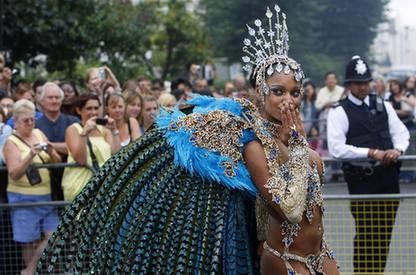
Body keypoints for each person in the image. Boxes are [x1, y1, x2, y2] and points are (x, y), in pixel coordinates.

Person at [37, 5, 338, 274]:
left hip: (320, 255)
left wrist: (295, 143)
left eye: (295, 92)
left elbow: (315, 181)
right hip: (284, 261)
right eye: (278, 91)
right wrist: (298, 149)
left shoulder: (287, 138)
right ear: (260, 92)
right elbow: (290, 208)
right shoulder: (253, 143)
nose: (289, 100)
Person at [327, 56, 410, 273]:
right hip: (362, 181)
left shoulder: (383, 105)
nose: (363, 87)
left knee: (384, 235)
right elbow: (336, 148)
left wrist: (398, 150)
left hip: (388, 180)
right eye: (357, 82)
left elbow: (401, 133)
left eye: (365, 82)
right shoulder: (339, 111)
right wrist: (371, 152)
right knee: (366, 234)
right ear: (348, 85)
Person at [3, 99, 61, 275]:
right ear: (15, 121)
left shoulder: (39, 133)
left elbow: (57, 161)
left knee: (54, 236)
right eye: (25, 120)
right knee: (29, 241)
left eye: (32, 119)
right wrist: (30, 156)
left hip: (45, 196)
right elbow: (14, 173)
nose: (30, 123)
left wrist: (50, 151)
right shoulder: (11, 142)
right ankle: (32, 270)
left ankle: (30, 270)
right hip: (23, 198)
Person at [61, 94, 120, 201]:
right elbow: (80, 159)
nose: (93, 112)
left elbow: (117, 155)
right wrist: (84, 134)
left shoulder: (104, 130)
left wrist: (114, 131)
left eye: (96, 108)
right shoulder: (73, 129)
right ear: (79, 110)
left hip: (103, 186)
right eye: (89, 108)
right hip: (80, 186)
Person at [36, 82, 79, 200]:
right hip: (46, 180)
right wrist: (64, 146)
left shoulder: (73, 121)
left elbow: (76, 148)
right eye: (50, 98)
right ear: (42, 101)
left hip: (72, 176)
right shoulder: (35, 125)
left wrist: (50, 145)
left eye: (57, 97)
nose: (54, 101)